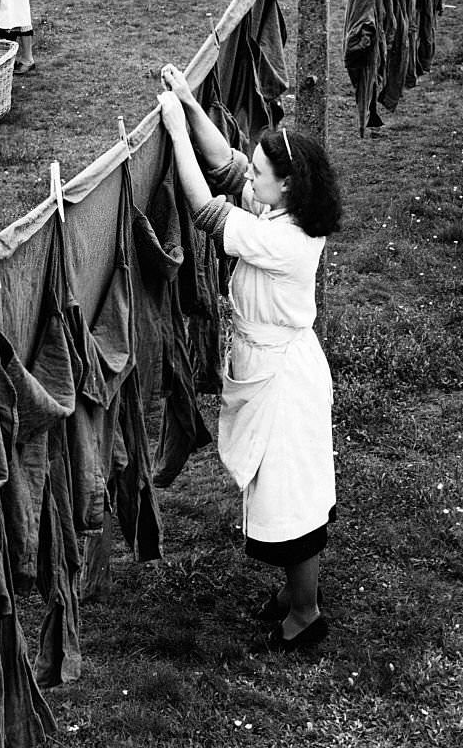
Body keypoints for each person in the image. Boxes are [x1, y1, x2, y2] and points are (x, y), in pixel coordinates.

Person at [157, 63, 342, 653]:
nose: (251, 176)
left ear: (284, 185)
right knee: (279, 491)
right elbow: (229, 166)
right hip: (271, 368)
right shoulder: (279, 210)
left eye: (262, 173)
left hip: (284, 382)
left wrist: (176, 133)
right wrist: (188, 102)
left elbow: (205, 205)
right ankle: (294, 596)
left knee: (290, 503)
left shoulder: (283, 240)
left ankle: (306, 613)